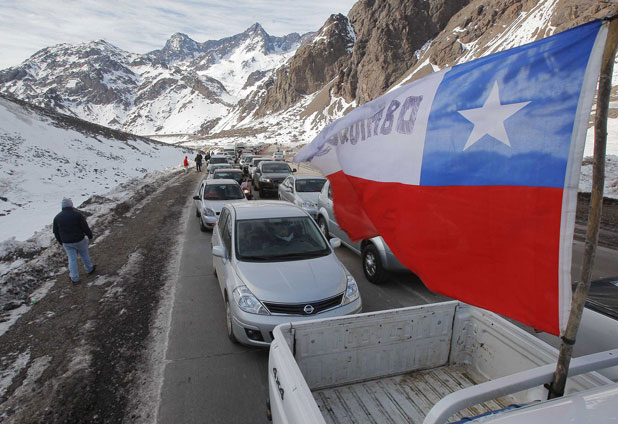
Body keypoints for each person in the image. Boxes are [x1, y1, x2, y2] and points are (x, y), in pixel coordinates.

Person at [53, 198, 96, 284]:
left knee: (72, 259)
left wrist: (61, 241)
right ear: (71, 205)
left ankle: (74, 278)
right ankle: (89, 269)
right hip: (79, 240)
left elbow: (56, 232)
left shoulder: (57, 218)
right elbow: (85, 227)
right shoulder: (77, 215)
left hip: (67, 243)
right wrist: (90, 236)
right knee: (84, 255)